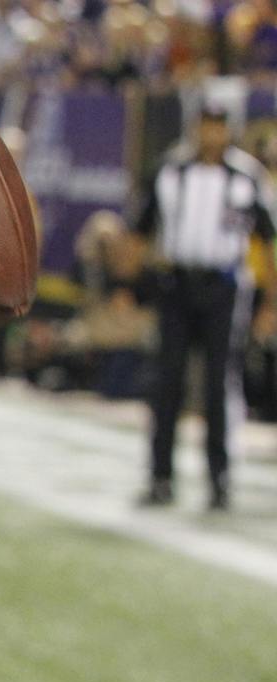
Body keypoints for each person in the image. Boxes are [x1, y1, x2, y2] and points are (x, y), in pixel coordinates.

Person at [135, 106, 277, 512]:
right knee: (168, 382)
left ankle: (220, 479)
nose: (210, 135)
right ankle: (160, 476)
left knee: (220, 384)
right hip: (177, 284)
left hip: (224, 288)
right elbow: (142, 231)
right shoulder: (170, 170)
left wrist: (269, 301)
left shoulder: (247, 176)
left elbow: (266, 242)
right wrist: (136, 287)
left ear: (227, 131)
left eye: (217, 127)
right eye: (205, 126)